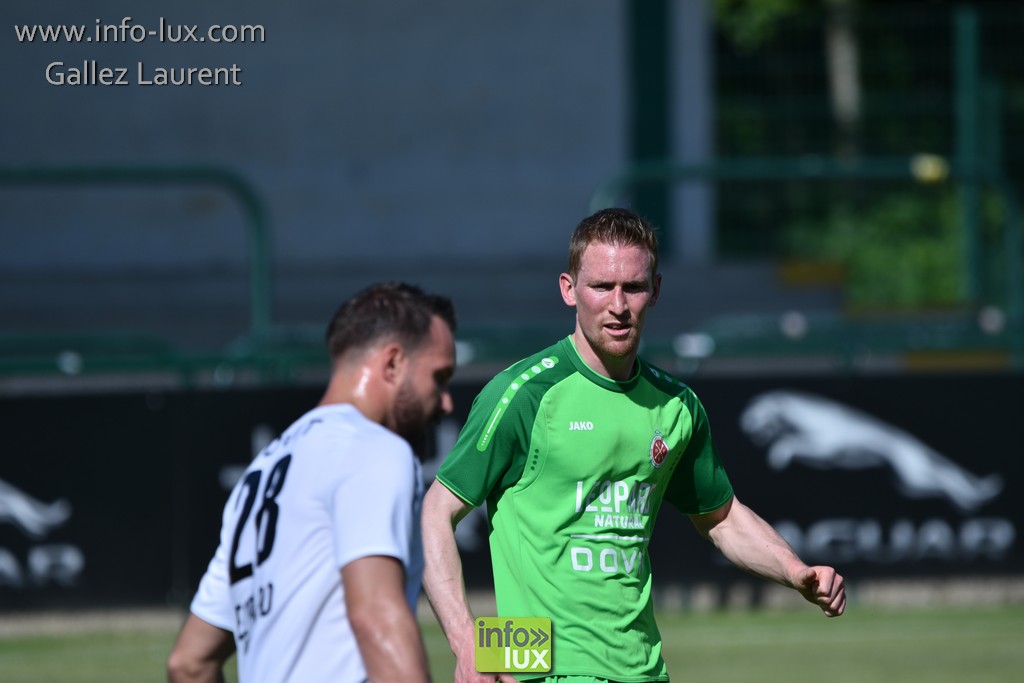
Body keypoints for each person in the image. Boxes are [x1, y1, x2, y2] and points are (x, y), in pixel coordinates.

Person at [421, 208, 845, 683]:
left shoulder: (676, 406)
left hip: (644, 670)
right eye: (602, 287)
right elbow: (435, 512)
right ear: (568, 289)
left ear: (656, 290)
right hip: (537, 665)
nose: (618, 305)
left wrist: (795, 570)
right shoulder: (524, 393)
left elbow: (722, 518)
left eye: (634, 287)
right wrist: (470, 643)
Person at [167, 281, 458, 683]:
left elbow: (189, 663)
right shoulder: (372, 447)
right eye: (439, 378)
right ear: (392, 363)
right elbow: (376, 616)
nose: (446, 401)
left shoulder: (261, 472)